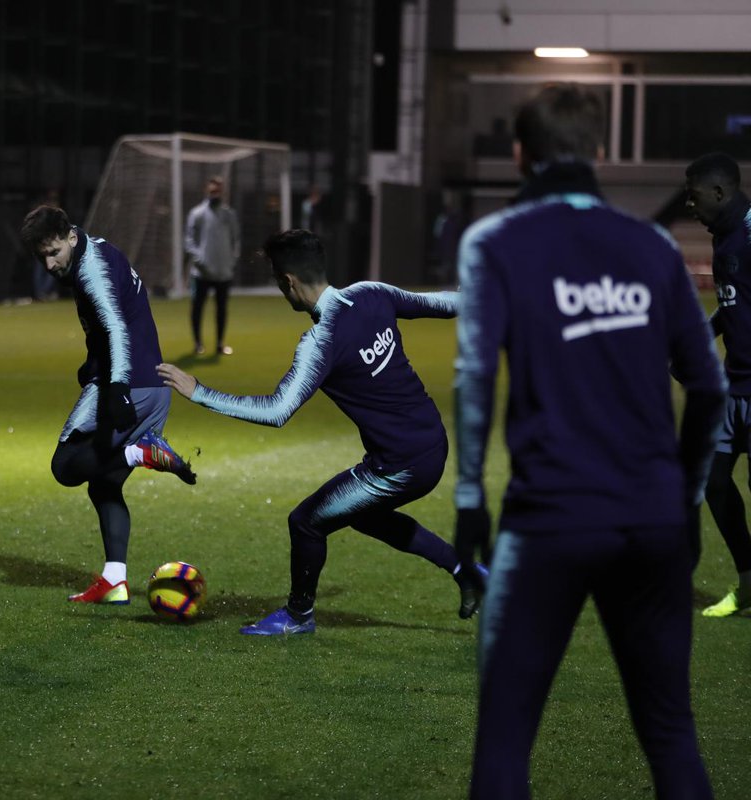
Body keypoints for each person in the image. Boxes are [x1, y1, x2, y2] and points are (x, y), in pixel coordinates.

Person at [454, 83, 724, 799]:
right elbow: (708, 388)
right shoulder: (653, 244)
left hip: (551, 517)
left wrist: (470, 497)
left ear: (519, 156)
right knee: (671, 735)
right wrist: (687, 497)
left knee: (506, 741)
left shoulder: (496, 241)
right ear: (599, 151)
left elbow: (476, 375)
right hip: (654, 517)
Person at [158, 228, 482, 636]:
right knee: (363, 515)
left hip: (400, 464)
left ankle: (298, 616)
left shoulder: (321, 339)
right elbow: (443, 303)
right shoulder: (371, 292)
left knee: (306, 521)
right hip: (431, 440)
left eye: (279, 281)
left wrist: (199, 391)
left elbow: (277, 410)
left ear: (288, 281)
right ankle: (464, 570)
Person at [19, 204, 196, 605]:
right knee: (104, 484)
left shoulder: (91, 269)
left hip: (130, 385)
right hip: (152, 385)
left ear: (69, 236)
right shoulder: (95, 249)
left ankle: (139, 452)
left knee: (65, 466)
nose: (49, 264)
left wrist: (115, 387)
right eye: (41, 257)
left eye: (54, 253)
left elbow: (116, 326)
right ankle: (115, 579)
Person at [684, 151, 751, 618]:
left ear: (719, 193)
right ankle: (748, 580)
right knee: (714, 481)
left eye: (694, 197)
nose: (690, 206)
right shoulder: (725, 236)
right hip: (735, 385)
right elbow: (734, 304)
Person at [185, 175, 241, 356]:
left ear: (222, 191)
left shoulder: (229, 214)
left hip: (223, 272)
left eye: (218, 190)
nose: (215, 193)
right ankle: (198, 344)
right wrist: (199, 260)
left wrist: (232, 261)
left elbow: (236, 240)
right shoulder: (197, 213)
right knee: (197, 308)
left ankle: (219, 344)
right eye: (212, 190)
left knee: (222, 309)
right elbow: (189, 240)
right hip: (201, 273)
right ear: (206, 191)